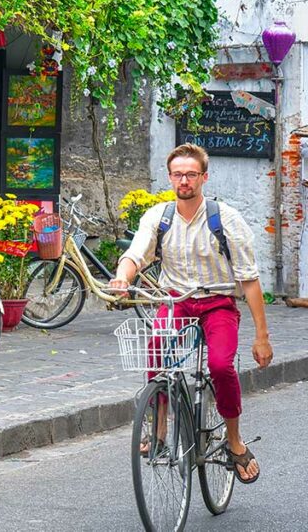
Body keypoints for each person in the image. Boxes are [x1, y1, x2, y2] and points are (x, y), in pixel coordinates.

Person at [109, 143, 273, 484]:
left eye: (191, 174)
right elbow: (136, 253)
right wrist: (122, 278)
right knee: (155, 351)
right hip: (176, 302)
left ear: (204, 177)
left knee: (221, 366)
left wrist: (262, 337)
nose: (184, 180)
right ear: (170, 177)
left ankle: (234, 441)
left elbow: (249, 279)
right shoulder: (159, 217)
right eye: (178, 174)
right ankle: (159, 427)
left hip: (218, 302)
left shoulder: (226, 219)